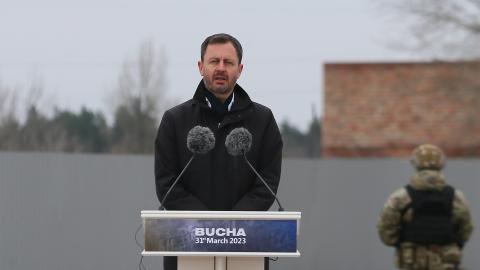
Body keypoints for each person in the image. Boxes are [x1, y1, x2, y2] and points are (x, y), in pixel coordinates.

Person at [155, 33, 283, 270]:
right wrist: (209, 227)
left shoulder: (263, 121)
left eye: (228, 62)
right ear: (201, 66)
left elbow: (267, 183)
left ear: (240, 69)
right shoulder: (174, 120)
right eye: (214, 61)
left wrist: (232, 228)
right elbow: (166, 185)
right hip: (186, 249)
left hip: (247, 249)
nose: (221, 68)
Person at [377, 144, 474, 270]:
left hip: (412, 261)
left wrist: (401, 242)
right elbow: (466, 230)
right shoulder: (456, 197)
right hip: (446, 261)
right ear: (441, 163)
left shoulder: (401, 197)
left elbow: (386, 230)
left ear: (415, 163)